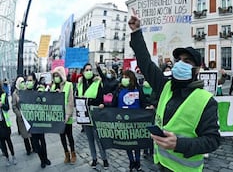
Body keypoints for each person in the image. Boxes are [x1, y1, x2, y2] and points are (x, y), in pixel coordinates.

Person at [128, 15, 220, 172]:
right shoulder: (166, 86)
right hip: (161, 164)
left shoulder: (206, 100)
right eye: (179, 60)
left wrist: (178, 144)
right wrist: (136, 32)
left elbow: (212, 140)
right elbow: (145, 63)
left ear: (197, 69)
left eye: (187, 61)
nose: (180, 64)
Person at [113, 70, 152, 171]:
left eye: (127, 77)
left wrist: (148, 107)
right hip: (123, 121)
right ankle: (131, 161)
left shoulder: (138, 89)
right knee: (127, 143)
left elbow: (143, 102)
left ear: (132, 78)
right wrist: (104, 106)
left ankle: (137, 161)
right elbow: (113, 103)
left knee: (137, 142)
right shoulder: (118, 89)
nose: (124, 79)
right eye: (123, 77)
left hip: (136, 121)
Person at [76, 63, 108, 169]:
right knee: (90, 139)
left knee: (98, 138)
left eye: (90, 69)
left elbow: (100, 98)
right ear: (83, 71)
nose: (89, 71)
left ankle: (104, 159)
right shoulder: (80, 83)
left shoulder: (98, 82)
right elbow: (77, 96)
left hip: (95, 113)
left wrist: (88, 101)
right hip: (84, 114)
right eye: (87, 70)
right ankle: (94, 158)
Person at [50, 66, 76, 164]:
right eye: (54, 75)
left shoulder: (69, 85)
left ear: (61, 75)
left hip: (67, 116)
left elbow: (70, 102)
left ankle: (73, 153)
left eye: (57, 75)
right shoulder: (53, 86)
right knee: (62, 136)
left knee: (69, 136)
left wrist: (67, 115)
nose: (56, 77)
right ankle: (66, 154)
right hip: (57, 117)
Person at [28, 73, 51, 168]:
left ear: (34, 81)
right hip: (31, 121)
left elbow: (44, 99)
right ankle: (42, 159)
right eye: (27, 80)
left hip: (40, 120)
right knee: (36, 143)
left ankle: (45, 158)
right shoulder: (25, 92)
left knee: (42, 140)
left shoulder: (39, 88)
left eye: (30, 80)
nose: (29, 82)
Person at [11, 77, 33, 156]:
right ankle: (28, 149)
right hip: (21, 118)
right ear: (18, 83)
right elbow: (14, 106)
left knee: (31, 133)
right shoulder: (15, 94)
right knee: (25, 135)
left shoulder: (26, 91)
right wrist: (19, 114)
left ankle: (34, 147)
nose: (23, 83)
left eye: (24, 82)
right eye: (21, 82)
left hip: (29, 116)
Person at [0, 81, 17, 166]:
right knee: (2, 143)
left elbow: (7, 108)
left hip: (4, 123)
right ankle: (7, 158)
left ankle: (13, 156)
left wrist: (2, 105)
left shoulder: (3, 95)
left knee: (8, 141)